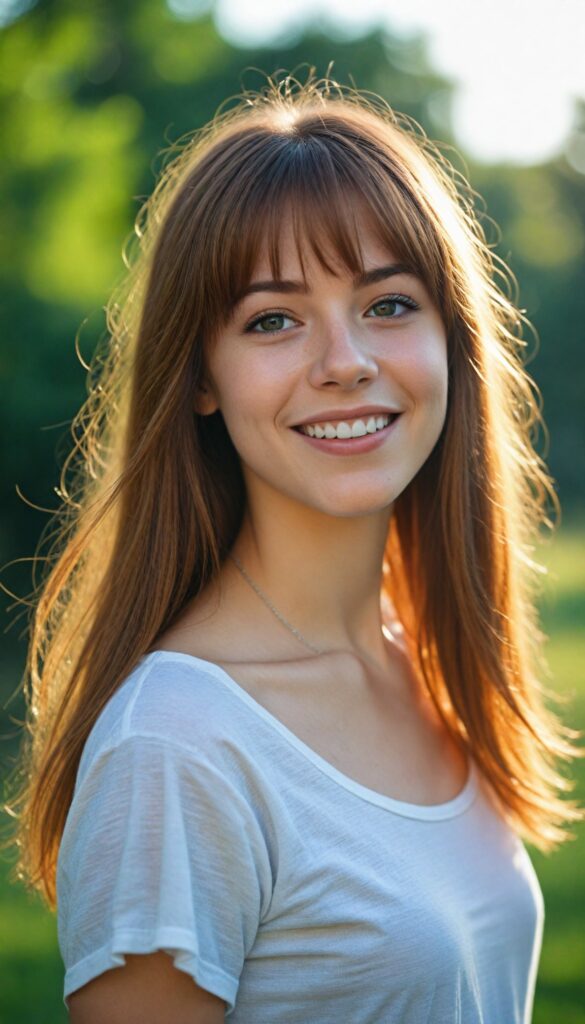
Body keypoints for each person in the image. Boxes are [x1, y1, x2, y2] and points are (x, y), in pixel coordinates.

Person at [6, 73, 583, 1023]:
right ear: (198, 376)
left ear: (452, 338)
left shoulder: (422, 660)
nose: (344, 360)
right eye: (273, 319)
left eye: (389, 304)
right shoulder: (176, 745)